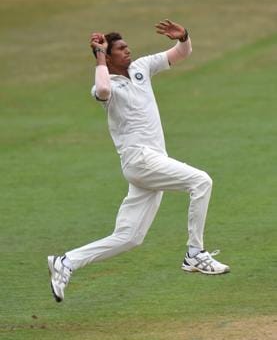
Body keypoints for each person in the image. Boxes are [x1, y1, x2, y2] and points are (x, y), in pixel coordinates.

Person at [48, 19, 230, 303]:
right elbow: (104, 92)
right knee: (201, 181)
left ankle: (66, 262)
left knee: (129, 237)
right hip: (140, 160)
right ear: (107, 58)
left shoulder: (142, 68)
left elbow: (181, 54)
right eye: (120, 49)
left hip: (152, 162)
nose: (127, 51)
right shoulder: (106, 84)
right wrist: (98, 56)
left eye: (126, 46)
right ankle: (195, 254)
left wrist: (183, 38)